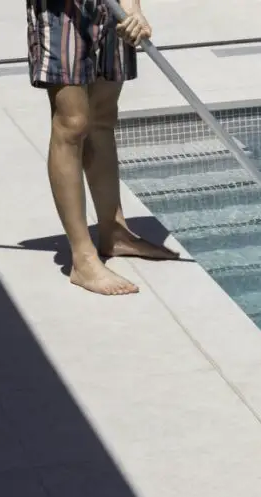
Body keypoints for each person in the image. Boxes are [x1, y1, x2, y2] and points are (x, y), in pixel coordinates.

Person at [27, 0, 178, 296]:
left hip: (111, 7)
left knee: (102, 116)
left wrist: (133, 8)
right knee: (72, 123)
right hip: (62, 10)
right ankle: (83, 259)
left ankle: (114, 232)